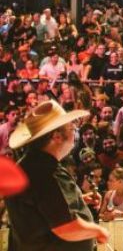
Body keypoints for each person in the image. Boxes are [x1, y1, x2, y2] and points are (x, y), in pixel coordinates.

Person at [6, 100, 110, 250]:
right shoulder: (46, 172)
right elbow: (66, 228)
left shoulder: (28, 164)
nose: (74, 129)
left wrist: (78, 200)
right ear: (56, 136)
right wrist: (98, 231)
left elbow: (42, 207)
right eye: (70, 127)